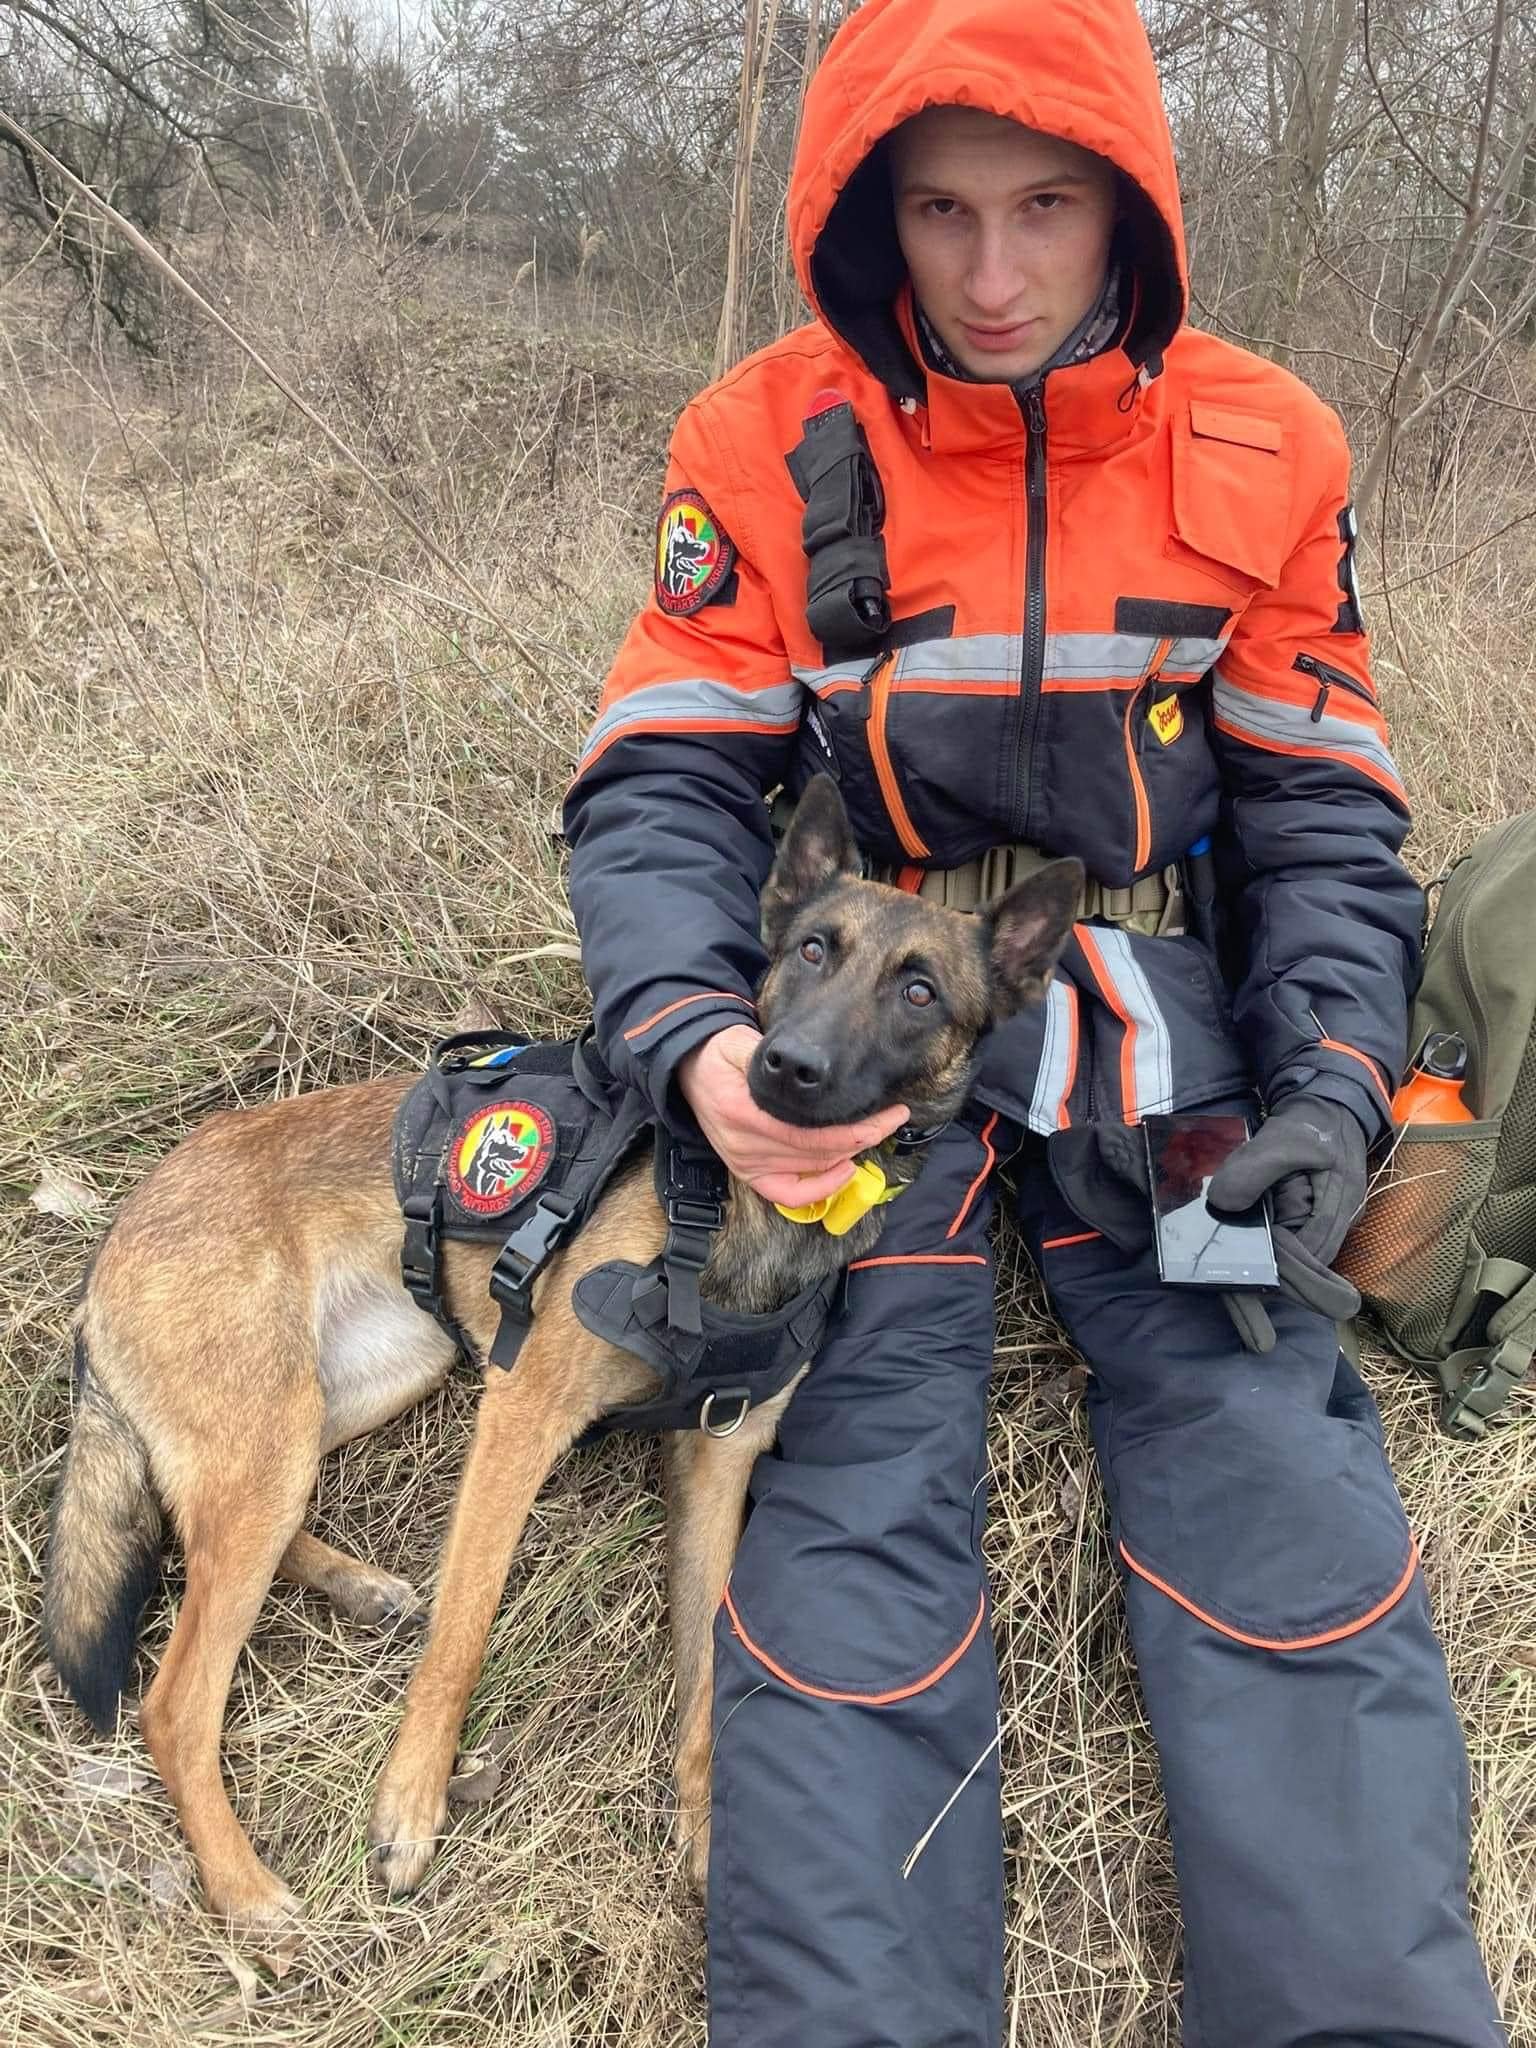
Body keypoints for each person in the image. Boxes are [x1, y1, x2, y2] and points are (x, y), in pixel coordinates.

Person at [562, 0, 1509, 2042]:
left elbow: (1325, 821)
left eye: (1049, 209)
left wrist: (1332, 1085)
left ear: (1132, 210)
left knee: (1264, 1441)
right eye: (942, 214)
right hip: (853, 1022)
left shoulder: (1265, 441)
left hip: (1142, 1005)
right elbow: (661, 779)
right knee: (837, 1479)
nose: (993, 277)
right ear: (867, 221)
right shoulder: (764, 433)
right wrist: (703, 1043)